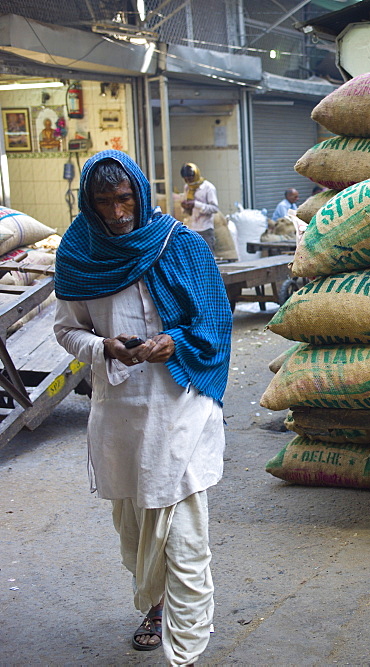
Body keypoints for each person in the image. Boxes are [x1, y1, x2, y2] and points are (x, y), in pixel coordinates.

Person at [53, 150, 232, 664]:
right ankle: (155, 606)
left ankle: (188, 642)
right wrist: (105, 347)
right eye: (104, 202)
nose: (117, 212)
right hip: (119, 412)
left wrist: (173, 342)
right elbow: (66, 330)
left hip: (180, 404)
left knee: (182, 526)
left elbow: (215, 322)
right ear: (89, 203)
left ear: (139, 192)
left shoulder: (181, 245)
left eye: (125, 198)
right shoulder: (78, 252)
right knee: (134, 528)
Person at [180, 163, 220, 255]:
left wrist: (196, 204)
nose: (188, 182)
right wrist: (185, 206)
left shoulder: (208, 188)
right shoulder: (187, 188)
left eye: (190, 179)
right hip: (191, 228)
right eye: (186, 180)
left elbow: (214, 208)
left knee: (207, 256)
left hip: (205, 228)